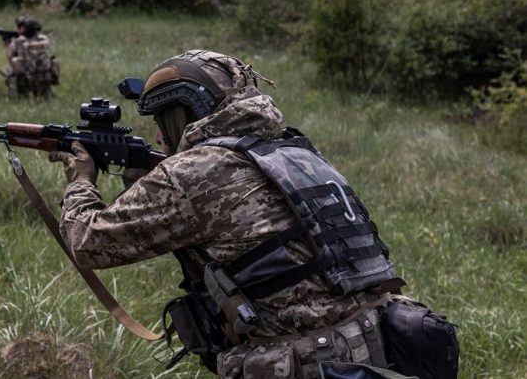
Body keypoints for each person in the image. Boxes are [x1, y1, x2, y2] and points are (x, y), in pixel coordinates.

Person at [47, 50, 449, 378]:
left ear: (190, 110)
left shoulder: (193, 171)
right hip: (369, 343)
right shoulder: (293, 149)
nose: (158, 136)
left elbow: (88, 243)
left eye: (164, 121)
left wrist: (81, 179)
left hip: (303, 363)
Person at [5, 16, 58, 99]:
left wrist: (7, 43)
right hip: (40, 75)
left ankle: (17, 94)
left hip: (29, 75)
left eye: (22, 27)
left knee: (12, 65)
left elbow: (10, 57)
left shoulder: (20, 42)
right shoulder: (41, 39)